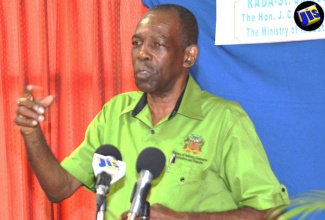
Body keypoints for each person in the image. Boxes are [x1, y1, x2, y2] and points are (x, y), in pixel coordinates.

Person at [15, 4, 289, 220]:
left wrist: (184, 219)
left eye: (157, 45)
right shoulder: (114, 113)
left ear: (188, 56)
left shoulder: (224, 120)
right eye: (136, 43)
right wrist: (31, 132)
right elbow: (58, 188)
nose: (142, 54)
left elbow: (270, 211)